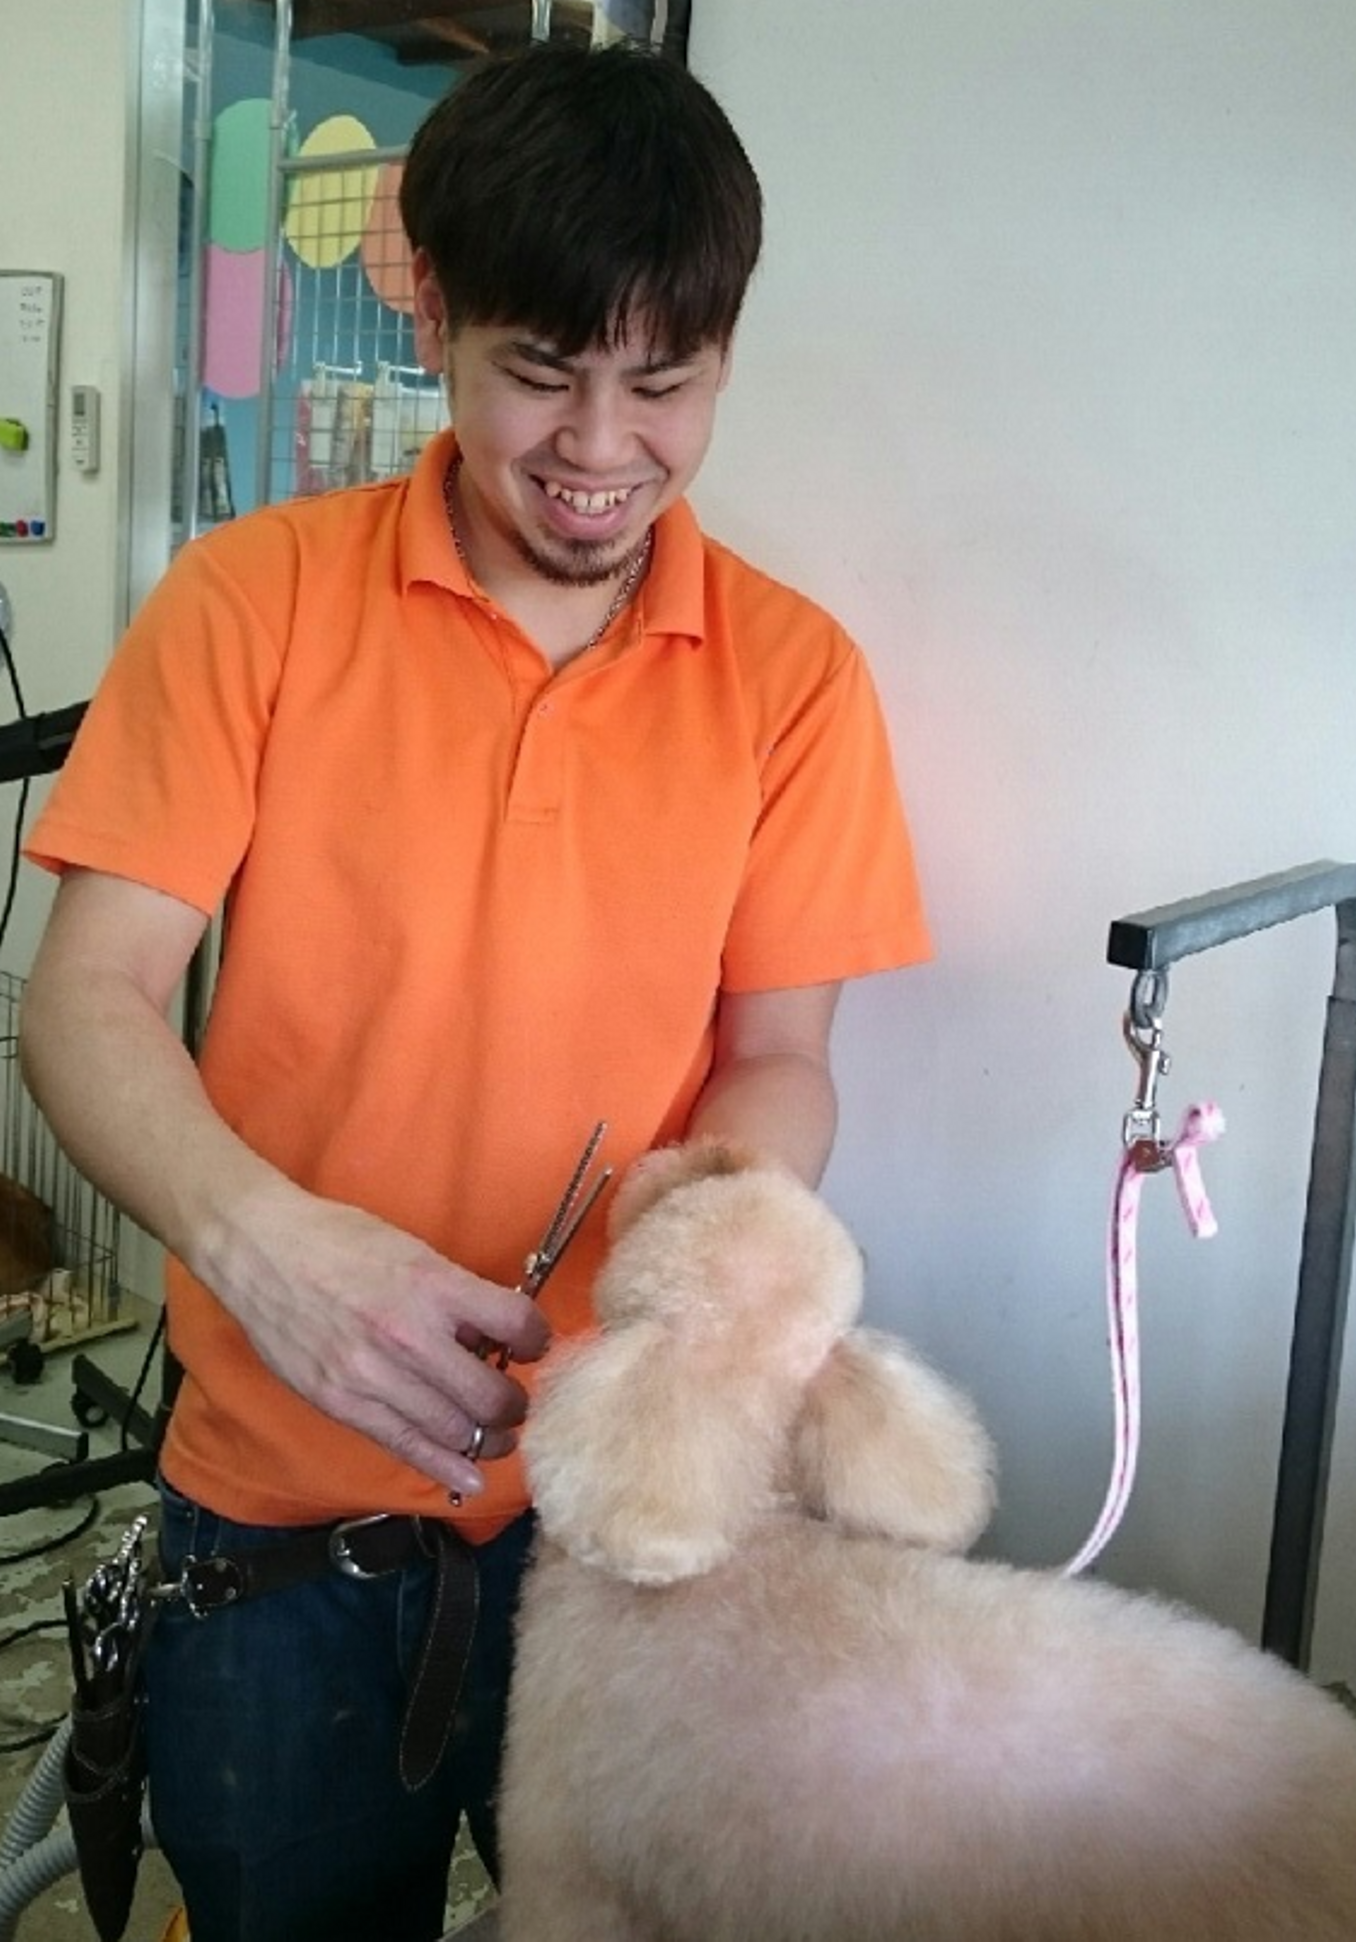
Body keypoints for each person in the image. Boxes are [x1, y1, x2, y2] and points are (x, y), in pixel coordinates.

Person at [19, 40, 932, 1942]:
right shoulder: (252, 599)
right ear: (429, 308)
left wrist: (713, 1244)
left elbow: (780, 1057)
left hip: (622, 1516)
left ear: (723, 357)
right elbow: (87, 999)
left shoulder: (793, 678)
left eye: (662, 384)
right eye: (542, 370)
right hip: (279, 1520)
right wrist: (265, 1242)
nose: (600, 448)